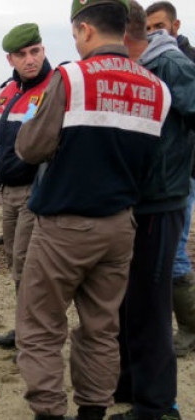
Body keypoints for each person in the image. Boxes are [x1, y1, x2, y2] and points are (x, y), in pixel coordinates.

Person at [14, 0, 172, 419]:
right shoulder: (157, 88)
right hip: (120, 225)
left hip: (65, 222)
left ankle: (49, 411)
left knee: (40, 326)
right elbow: (153, 163)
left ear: (84, 30)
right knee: (102, 328)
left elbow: (31, 147)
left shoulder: (71, 77)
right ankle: (93, 412)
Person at [112, 2, 195, 419]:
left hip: (163, 202)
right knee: (127, 302)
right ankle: (128, 385)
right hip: (137, 200)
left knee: (151, 305)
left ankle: (158, 406)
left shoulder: (172, 65)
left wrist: (177, 173)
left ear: (124, 36)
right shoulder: (139, 67)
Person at [0, 23, 54, 349]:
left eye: (35, 51)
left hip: (37, 194)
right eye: (22, 54)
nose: (30, 59)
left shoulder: (54, 88)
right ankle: (23, 330)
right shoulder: (5, 94)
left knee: (27, 264)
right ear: (10, 59)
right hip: (8, 193)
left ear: (43, 50)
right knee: (13, 261)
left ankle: (31, 337)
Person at [146, 0, 195, 358]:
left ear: (176, 25)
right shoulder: (152, 63)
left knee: (175, 251)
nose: (154, 33)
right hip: (160, 175)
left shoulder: (181, 62)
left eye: (160, 26)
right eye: (148, 28)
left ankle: (190, 329)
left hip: (179, 175)